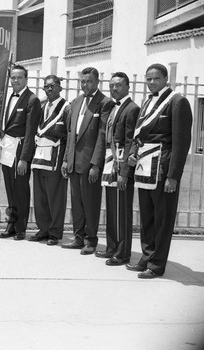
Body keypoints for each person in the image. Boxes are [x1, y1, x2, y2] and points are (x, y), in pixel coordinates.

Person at [126, 63, 192, 279]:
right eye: (148, 79)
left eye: (155, 78)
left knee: (162, 219)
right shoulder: (147, 102)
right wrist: (133, 154)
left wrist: (173, 176)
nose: (151, 82)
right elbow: (139, 134)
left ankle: (156, 265)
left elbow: (181, 143)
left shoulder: (177, 101)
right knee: (147, 218)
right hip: (145, 168)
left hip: (163, 170)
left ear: (166, 79)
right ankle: (146, 257)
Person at [61, 67, 114, 254]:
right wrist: (67, 159)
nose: (85, 85)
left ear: (97, 82)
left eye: (89, 81)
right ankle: (78, 237)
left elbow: (102, 136)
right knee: (76, 202)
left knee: (90, 203)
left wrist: (95, 164)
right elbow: (70, 134)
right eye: (82, 81)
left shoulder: (105, 103)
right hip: (74, 162)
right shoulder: (75, 102)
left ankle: (91, 240)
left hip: (90, 163)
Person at [98, 72, 140, 266]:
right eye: (111, 85)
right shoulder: (113, 107)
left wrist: (124, 172)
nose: (114, 89)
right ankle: (112, 246)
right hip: (110, 160)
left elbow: (131, 141)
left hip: (121, 163)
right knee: (111, 207)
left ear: (127, 87)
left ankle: (123, 253)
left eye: (118, 85)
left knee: (122, 209)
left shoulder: (131, 108)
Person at [0, 65, 40, 240]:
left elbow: (30, 132)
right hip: (8, 148)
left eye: (19, 78)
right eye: (13, 77)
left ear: (26, 79)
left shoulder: (32, 100)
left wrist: (24, 158)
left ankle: (21, 228)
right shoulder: (10, 97)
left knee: (20, 189)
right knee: (10, 189)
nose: (15, 80)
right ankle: (12, 226)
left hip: (20, 150)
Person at [28, 75, 69, 246]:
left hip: (55, 158)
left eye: (53, 86)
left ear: (60, 87)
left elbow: (69, 134)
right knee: (40, 197)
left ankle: (54, 232)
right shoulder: (43, 106)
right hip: (39, 157)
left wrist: (66, 159)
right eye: (46, 86)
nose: (49, 89)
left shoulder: (66, 107)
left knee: (55, 197)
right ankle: (43, 229)